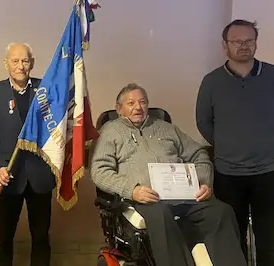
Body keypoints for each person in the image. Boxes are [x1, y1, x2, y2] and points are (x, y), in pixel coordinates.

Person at [90, 83, 247, 266]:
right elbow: (99, 171)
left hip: (184, 196)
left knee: (221, 212)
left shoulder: (167, 128)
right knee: (161, 215)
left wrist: (204, 181)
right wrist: (132, 190)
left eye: (142, 102)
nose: (138, 107)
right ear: (119, 109)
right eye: (131, 103)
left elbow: (199, 154)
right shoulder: (110, 132)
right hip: (145, 199)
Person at [196, 19, 274, 265]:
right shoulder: (211, 82)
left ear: (255, 43)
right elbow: (203, 122)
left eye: (249, 41)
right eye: (237, 41)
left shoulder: (272, 75)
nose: (244, 46)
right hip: (228, 173)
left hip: (268, 172)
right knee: (232, 236)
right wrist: (227, 144)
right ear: (225, 45)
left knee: (270, 238)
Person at [0, 43, 54, 266]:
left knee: (41, 238)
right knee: (3, 238)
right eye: (15, 61)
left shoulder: (46, 89)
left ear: (31, 63)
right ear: (6, 64)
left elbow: (57, 129)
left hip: (39, 176)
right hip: (7, 175)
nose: (20, 66)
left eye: (25, 61)